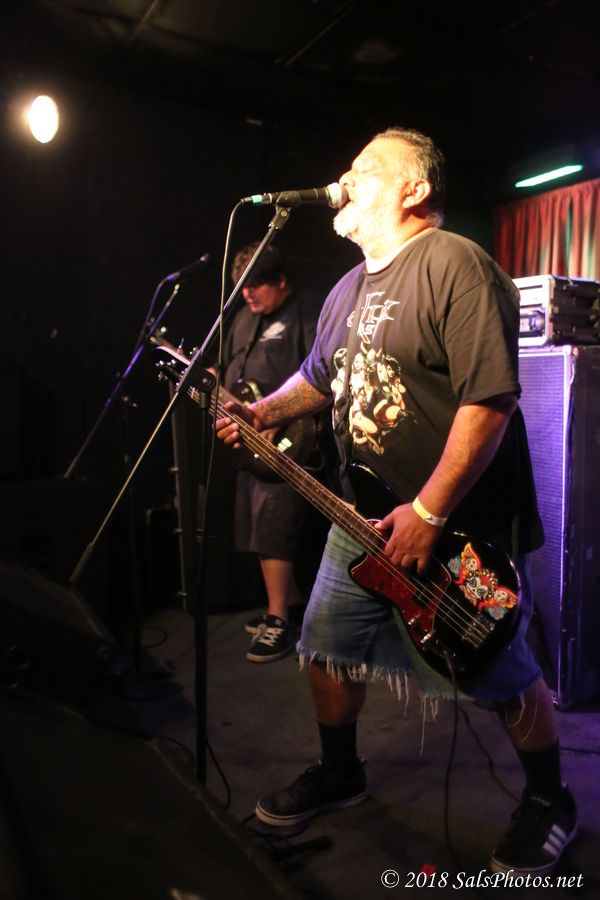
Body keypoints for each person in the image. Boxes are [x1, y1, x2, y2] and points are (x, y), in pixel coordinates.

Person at [216, 129, 577, 874]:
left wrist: (432, 512)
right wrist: (262, 413)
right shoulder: (348, 289)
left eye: (365, 169)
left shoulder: (454, 264)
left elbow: (490, 400)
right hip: (363, 519)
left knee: (500, 666)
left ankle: (550, 799)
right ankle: (340, 770)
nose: (344, 179)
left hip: (457, 524)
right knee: (325, 644)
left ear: (414, 189)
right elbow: (321, 376)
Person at [220, 242, 321, 662]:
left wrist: (276, 415)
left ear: (281, 281)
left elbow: (321, 375)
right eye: (242, 287)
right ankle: (286, 606)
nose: (247, 294)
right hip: (250, 443)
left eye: (256, 285)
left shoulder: (308, 310)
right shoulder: (243, 319)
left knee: (273, 524)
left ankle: (278, 619)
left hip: (290, 439)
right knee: (255, 523)